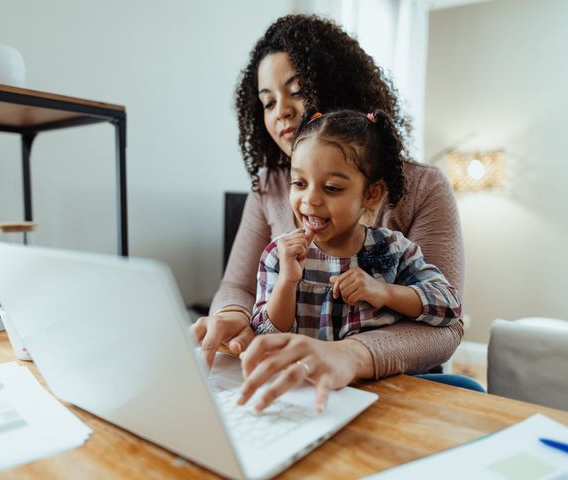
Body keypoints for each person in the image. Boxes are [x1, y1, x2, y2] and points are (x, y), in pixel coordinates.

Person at [192, 14, 471, 409]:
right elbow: (238, 287)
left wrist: (351, 354)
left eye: (296, 91)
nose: (281, 112)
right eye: (268, 101)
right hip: (303, 391)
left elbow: (447, 322)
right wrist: (232, 315)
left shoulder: (423, 188)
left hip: (396, 390)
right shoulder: (269, 185)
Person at [242, 109, 462, 411]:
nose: (310, 200)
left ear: (371, 195)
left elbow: (449, 305)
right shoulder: (279, 255)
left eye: (332, 188)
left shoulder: (394, 249)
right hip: (306, 397)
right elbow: (266, 336)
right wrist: (287, 282)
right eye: (299, 183)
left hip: (385, 396)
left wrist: (385, 292)